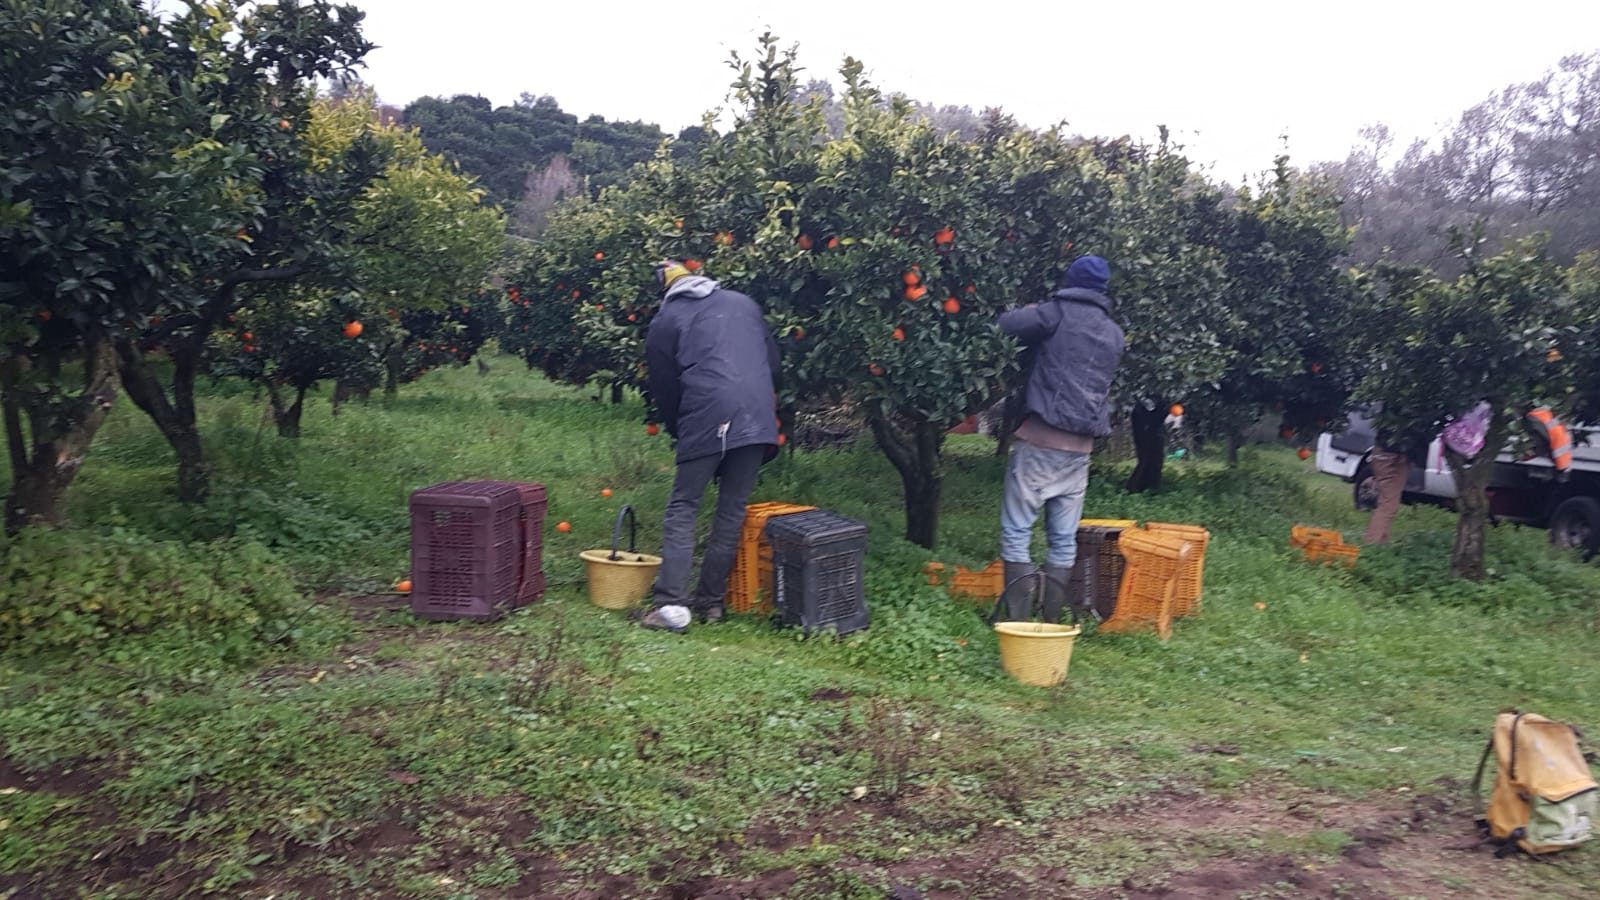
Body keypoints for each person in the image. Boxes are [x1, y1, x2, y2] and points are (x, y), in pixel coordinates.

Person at [640, 260, 781, 633]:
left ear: (667, 292)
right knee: (731, 511)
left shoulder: (665, 321)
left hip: (707, 412)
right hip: (758, 416)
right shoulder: (743, 303)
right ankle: (711, 603)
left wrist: (681, 430)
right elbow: (773, 364)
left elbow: (665, 389)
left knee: (684, 506)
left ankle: (671, 605)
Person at [995, 255, 1126, 622]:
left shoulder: (1054, 314)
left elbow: (1004, 325)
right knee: (1064, 538)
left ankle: (1018, 621)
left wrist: (1031, 310)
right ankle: (1051, 621)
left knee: (1017, 530)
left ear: (1070, 281)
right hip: (1080, 450)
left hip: (1040, 441)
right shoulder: (1114, 333)